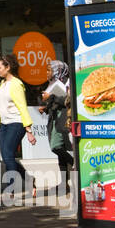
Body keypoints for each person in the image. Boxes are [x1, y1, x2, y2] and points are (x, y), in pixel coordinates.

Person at [0, 55, 34, 200]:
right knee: (7, 156)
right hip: (4, 124)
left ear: (8, 67)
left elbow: (22, 106)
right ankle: (28, 179)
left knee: (8, 155)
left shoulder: (16, 84)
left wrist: (28, 130)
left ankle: (10, 189)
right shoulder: (3, 83)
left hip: (16, 124)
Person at [42, 60, 73, 192]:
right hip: (55, 118)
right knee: (59, 150)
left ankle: (73, 163)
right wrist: (46, 107)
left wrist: (52, 97)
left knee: (56, 147)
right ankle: (63, 184)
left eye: (49, 70)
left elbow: (68, 100)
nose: (47, 73)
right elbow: (55, 102)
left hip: (64, 118)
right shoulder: (52, 84)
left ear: (57, 71)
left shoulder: (67, 82)